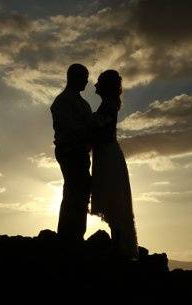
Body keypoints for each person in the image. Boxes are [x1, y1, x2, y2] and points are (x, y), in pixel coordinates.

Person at [90, 70, 139, 260]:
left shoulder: (109, 105)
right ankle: (118, 244)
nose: (95, 85)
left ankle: (119, 246)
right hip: (105, 154)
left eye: (99, 82)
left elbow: (103, 130)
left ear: (106, 86)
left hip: (108, 155)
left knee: (114, 199)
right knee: (113, 199)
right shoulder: (108, 104)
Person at [50, 64, 93, 244]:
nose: (86, 81)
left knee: (81, 192)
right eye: (84, 77)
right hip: (70, 151)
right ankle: (69, 235)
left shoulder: (82, 103)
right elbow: (67, 128)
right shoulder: (62, 101)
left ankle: (75, 234)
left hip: (81, 152)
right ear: (73, 77)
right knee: (74, 191)